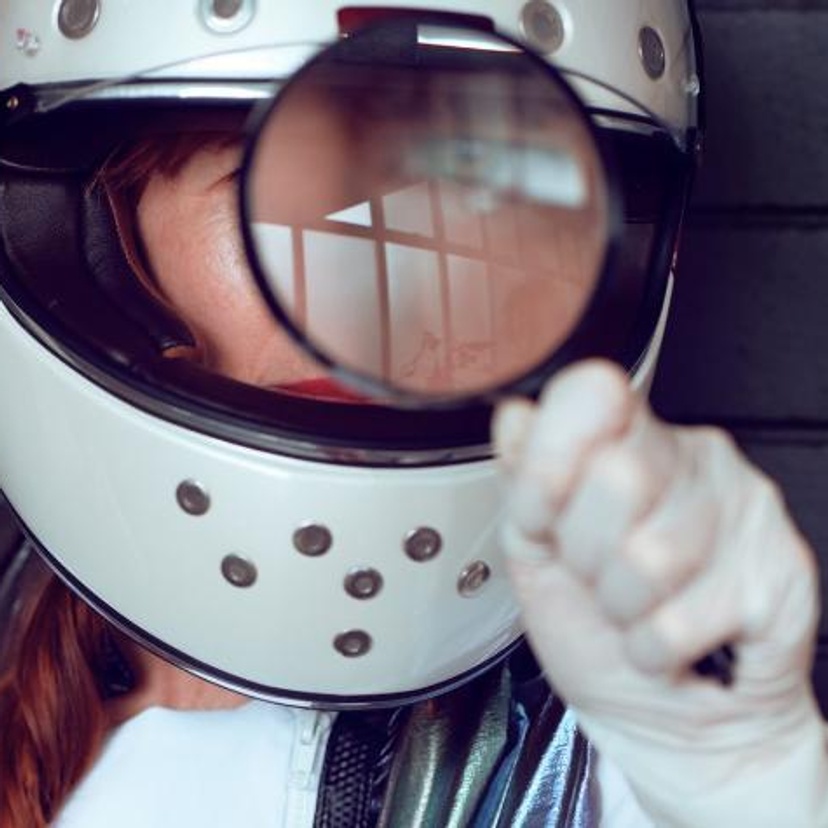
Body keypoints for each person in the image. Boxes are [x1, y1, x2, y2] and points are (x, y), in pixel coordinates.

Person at [0, 1, 825, 826]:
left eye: (488, 202)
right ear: (100, 239)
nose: (401, 298)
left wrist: (752, 789)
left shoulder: (622, 772)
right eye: (305, 191)